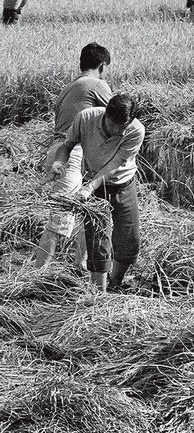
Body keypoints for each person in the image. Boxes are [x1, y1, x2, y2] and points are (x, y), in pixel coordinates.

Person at [51, 94, 144, 292]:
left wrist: (88, 187)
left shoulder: (136, 130)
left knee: (129, 237)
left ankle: (115, 283)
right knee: (97, 241)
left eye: (123, 126)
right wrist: (59, 162)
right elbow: (67, 145)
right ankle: (99, 296)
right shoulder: (86, 118)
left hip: (123, 184)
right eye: (114, 125)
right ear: (105, 116)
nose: (119, 131)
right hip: (94, 186)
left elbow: (114, 165)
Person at [34, 42, 113, 270]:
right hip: (71, 152)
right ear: (102, 65)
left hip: (59, 150)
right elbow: (118, 116)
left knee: (86, 210)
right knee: (59, 218)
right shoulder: (97, 84)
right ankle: (38, 274)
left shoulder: (69, 88)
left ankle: (81, 265)